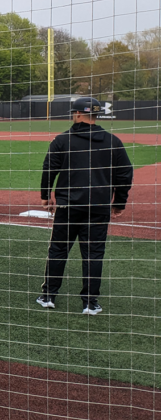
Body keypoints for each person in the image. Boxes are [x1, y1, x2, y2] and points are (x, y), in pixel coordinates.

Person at [37, 96, 134, 315]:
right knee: (94, 253)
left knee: (58, 250)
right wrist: (119, 202)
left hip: (68, 207)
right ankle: (90, 302)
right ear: (97, 115)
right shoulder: (113, 141)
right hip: (98, 207)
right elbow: (125, 173)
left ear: (78, 114)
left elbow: (49, 169)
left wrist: (45, 196)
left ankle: (48, 296)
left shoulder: (62, 140)